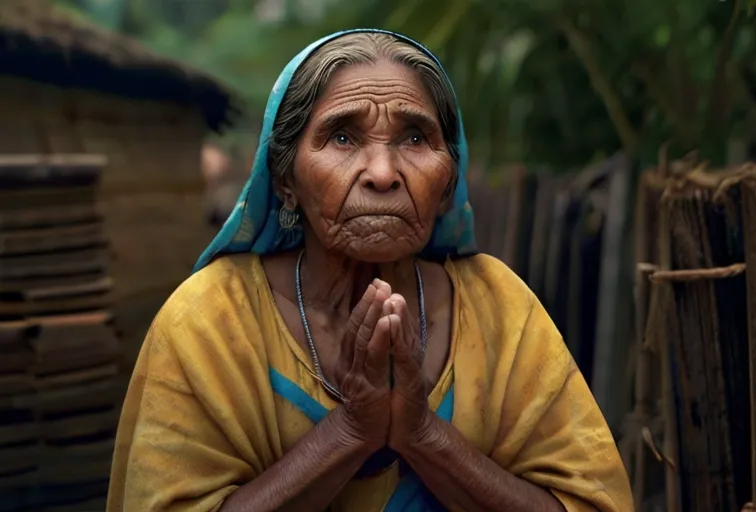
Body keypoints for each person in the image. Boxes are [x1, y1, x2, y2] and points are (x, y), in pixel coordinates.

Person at [107, 30, 633, 512]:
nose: (383, 174)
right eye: (341, 138)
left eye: (413, 139)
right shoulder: (211, 319)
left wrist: (422, 432)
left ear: (449, 181)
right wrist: (352, 429)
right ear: (285, 178)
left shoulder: (498, 307)